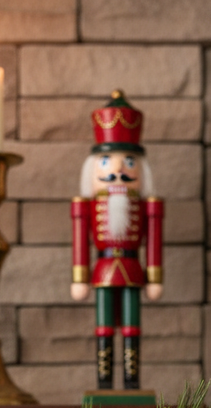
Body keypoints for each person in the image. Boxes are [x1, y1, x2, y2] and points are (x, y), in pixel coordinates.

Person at [70, 91, 164, 392]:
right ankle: (104, 381)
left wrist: (154, 276)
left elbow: (154, 241)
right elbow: (79, 242)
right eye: (107, 160)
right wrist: (79, 276)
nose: (118, 170)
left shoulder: (147, 204)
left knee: (132, 326)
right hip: (103, 267)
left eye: (128, 162)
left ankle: (132, 380)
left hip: (134, 268)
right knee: (103, 326)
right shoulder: (86, 205)